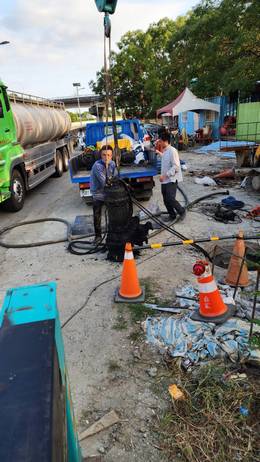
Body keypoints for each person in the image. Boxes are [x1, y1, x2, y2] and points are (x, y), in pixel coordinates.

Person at [156, 132, 186, 221]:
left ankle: (182, 211)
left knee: (170, 198)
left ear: (166, 141)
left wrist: (165, 175)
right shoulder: (165, 151)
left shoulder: (172, 151)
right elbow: (165, 159)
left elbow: (176, 166)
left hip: (171, 179)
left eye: (160, 141)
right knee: (165, 199)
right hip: (165, 180)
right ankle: (172, 215)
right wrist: (158, 153)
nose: (159, 143)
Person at [90, 145, 116, 243]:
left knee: (113, 213)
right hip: (98, 193)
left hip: (108, 192)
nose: (106, 158)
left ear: (112, 155)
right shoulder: (97, 166)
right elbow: (104, 182)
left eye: (109, 155)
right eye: (104, 155)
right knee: (97, 215)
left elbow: (116, 178)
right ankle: (98, 236)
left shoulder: (113, 164)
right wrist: (112, 182)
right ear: (101, 156)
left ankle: (113, 233)